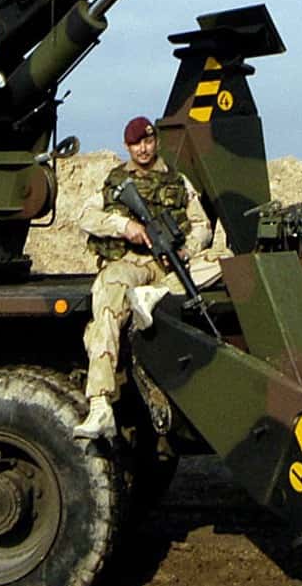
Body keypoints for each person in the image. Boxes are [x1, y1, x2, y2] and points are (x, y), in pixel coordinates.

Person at [73, 116, 220, 442]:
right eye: (137, 143)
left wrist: (187, 249)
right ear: (128, 146)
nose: (144, 148)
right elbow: (85, 215)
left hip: (169, 267)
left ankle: (153, 294)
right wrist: (125, 227)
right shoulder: (116, 184)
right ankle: (99, 403)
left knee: (221, 263)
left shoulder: (177, 182)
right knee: (109, 299)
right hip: (131, 261)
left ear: (156, 142)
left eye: (148, 141)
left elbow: (202, 225)